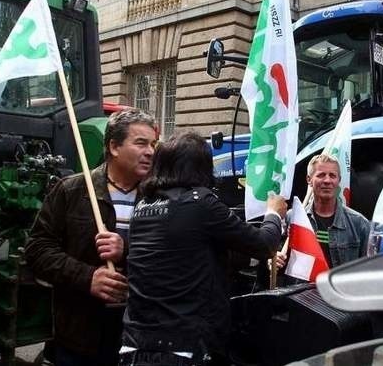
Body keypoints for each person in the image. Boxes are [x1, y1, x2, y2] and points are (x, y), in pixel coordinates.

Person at [120, 131, 285, 366]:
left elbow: (188, 253)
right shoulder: (200, 202)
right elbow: (264, 244)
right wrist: (273, 214)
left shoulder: (143, 206)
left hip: (136, 343)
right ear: (202, 168)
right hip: (183, 346)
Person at [25, 108, 158, 366]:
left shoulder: (160, 197)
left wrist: (128, 249)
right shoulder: (72, 190)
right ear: (114, 146)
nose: (150, 151)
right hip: (79, 336)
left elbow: (173, 257)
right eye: (141, 143)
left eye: (153, 144)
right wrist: (88, 278)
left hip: (141, 333)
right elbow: (37, 249)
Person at [275, 153, 370, 271]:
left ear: (339, 180)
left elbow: (369, 272)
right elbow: (278, 261)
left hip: (338, 289)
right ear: (309, 180)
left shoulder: (359, 224)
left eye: (332, 176)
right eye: (321, 175)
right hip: (302, 289)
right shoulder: (292, 218)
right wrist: (274, 260)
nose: (327, 180)